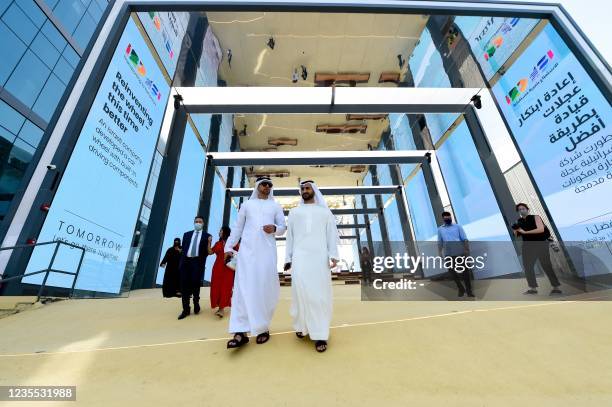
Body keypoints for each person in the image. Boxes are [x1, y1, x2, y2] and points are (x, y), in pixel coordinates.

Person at [224, 176, 286, 348]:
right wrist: (228, 247)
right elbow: (237, 228)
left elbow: (282, 227)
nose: (266, 186)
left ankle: (262, 328)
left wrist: (275, 229)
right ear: (258, 186)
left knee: (264, 289)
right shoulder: (247, 205)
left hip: (267, 254)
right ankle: (240, 332)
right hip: (247, 254)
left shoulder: (275, 206)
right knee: (242, 289)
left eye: (269, 184)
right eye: (263, 184)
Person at [284, 180, 339, 353]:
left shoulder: (324, 212)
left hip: (319, 258)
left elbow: (331, 235)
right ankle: (302, 326)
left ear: (314, 190)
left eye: (308, 188)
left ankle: (320, 333)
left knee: (318, 295)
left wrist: (334, 256)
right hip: (300, 258)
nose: (305, 191)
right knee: (300, 293)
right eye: (302, 189)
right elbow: (290, 237)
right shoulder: (294, 212)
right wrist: (288, 258)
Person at [512, 203, 562, 295]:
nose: (522, 210)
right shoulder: (518, 221)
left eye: (523, 208)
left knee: (546, 265)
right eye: (519, 209)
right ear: (518, 212)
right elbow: (517, 235)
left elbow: (540, 229)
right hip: (527, 246)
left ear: (528, 209)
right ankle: (533, 289)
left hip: (540, 244)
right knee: (528, 267)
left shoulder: (536, 217)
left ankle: (556, 287)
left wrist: (526, 232)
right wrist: (515, 229)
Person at [177, 216, 212, 320]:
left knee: (195, 284)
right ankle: (185, 309)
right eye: (196, 221)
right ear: (194, 223)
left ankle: (196, 302)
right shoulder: (186, 234)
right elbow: (184, 249)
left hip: (197, 263)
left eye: (200, 222)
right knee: (184, 286)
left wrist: (209, 242)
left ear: (203, 224)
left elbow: (208, 252)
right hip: (186, 262)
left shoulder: (207, 236)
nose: (198, 223)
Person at [437, 211, 474, 298]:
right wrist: (439, 252)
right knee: (452, 272)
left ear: (451, 217)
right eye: (446, 218)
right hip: (448, 254)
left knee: (465, 272)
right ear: (443, 219)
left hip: (460, 252)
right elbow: (440, 242)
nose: (448, 218)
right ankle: (461, 288)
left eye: (449, 217)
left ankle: (469, 291)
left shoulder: (458, 227)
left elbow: (464, 239)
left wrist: (467, 250)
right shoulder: (440, 229)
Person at [208, 226, 236, 318]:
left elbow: (240, 252)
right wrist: (209, 242)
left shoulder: (233, 244)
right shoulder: (218, 243)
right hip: (217, 269)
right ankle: (219, 304)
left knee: (226, 288)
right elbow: (210, 252)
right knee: (216, 287)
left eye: (221, 230)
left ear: (225, 232)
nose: (219, 232)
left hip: (229, 269)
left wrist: (232, 253)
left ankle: (221, 309)